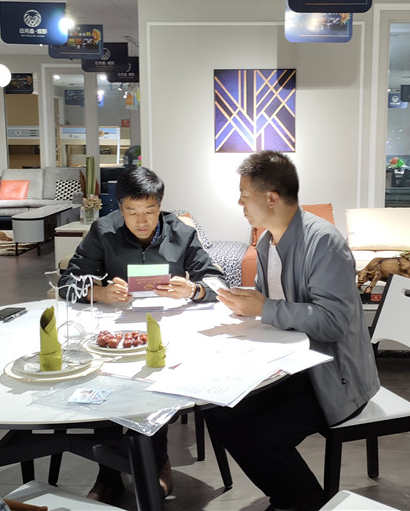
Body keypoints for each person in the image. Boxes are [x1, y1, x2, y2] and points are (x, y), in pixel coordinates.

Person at [210, 151, 380, 511]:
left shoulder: (324, 242)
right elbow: (272, 305)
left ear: (271, 198)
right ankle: (289, 498)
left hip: (335, 377)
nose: (240, 203)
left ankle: (305, 503)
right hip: (295, 367)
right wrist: (246, 305)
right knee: (220, 413)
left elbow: (333, 322)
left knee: (262, 438)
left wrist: (263, 308)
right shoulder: (267, 242)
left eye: (245, 195)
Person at [58, 166, 225, 503]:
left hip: (170, 329)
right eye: (131, 212)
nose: (142, 221)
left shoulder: (182, 232)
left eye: (149, 210)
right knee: (103, 383)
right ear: (119, 208)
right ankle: (108, 473)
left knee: (156, 383)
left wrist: (192, 290)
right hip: (116, 330)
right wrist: (101, 293)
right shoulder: (104, 230)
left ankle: (157, 461)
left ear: (160, 206)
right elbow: (67, 283)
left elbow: (218, 282)